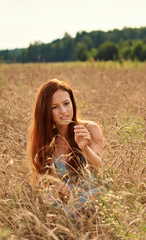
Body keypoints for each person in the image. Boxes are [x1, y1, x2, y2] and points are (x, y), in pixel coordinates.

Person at [27, 79, 103, 216]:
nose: (63, 111)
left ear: (72, 103)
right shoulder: (45, 139)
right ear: (45, 112)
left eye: (66, 104)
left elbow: (97, 170)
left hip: (91, 195)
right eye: (54, 107)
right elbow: (48, 182)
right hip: (62, 199)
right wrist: (63, 193)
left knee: (93, 198)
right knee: (47, 205)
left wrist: (85, 148)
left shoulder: (90, 129)